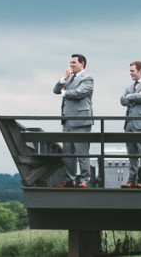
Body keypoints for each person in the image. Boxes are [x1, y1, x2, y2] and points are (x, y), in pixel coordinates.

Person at [52, 54, 94, 188]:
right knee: (68, 153)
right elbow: (55, 90)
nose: (71, 65)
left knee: (82, 152)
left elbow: (80, 93)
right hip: (67, 120)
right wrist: (64, 78)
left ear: (82, 64)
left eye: (74, 62)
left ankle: (84, 180)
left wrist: (64, 93)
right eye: (70, 62)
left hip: (81, 121)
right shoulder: (68, 78)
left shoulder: (88, 78)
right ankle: (69, 180)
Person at [120, 60, 141, 188]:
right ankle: (131, 180)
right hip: (129, 124)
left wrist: (129, 97)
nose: (130, 73)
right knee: (131, 155)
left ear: (140, 71)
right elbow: (122, 100)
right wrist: (133, 96)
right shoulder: (129, 87)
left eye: (132, 71)